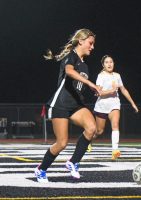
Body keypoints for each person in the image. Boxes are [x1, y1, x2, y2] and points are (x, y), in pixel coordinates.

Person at [34, 29, 101, 183]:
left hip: (76, 105)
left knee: (92, 128)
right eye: (90, 43)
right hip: (61, 104)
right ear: (81, 41)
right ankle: (41, 169)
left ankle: (73, 162)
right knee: (62, 143)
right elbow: (69, 72)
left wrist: (92, 89)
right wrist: (90, 83)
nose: (92, 47)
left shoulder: (85, 66)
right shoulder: (70, 56)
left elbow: (78, 87)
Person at [89, 55, 139, 159]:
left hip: (114, 104)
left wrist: (132, 103)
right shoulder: (101, 76)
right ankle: (89, 140)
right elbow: (99, 93)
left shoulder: (117, 75)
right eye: (107, 62)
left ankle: (115, 150)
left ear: (113, 64)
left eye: (111, 62)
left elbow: (123, 90)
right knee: (99, 131)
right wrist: (111, 91)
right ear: (103, 65)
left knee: (115, 125)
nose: (109, 64)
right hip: (102, 105)